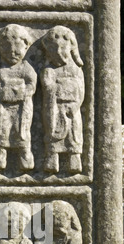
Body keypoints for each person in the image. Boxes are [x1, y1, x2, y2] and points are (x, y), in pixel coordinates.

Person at [0, 25, 37, 171]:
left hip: (22, 107)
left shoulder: (26, 67)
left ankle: (25, 155)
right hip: (3, 107)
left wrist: (24, 91)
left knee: (22, 130)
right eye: (7, 49)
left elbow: (32, 84)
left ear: (26, 47)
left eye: (16, 50)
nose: (12, 53)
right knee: (2, 129)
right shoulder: (0, 69)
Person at [41, 26, 85, 174]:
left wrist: (77, 104)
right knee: (53, 132)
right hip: (55, 107)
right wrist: (60, 87)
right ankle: (52, 159)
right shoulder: (49, 70)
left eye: (62, 50)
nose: (59, 55)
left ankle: (75, 159)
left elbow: (81, 90)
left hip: (72, 108)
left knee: (74, 133)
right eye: (54, 51)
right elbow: (47, 86)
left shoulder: (76, 70)